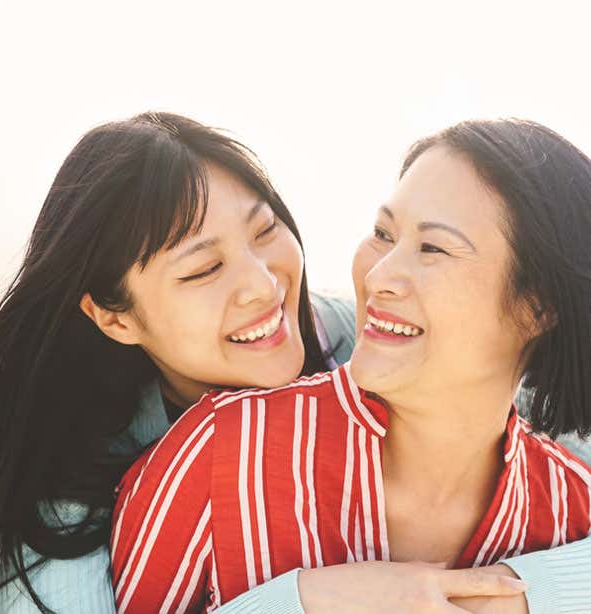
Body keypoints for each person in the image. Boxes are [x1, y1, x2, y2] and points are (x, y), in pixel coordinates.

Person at [110, 118, 591, 614]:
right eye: (383, 233)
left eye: (432, 248)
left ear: (538, 306)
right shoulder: (216, 453)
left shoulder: (571, 509)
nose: (379, 275)